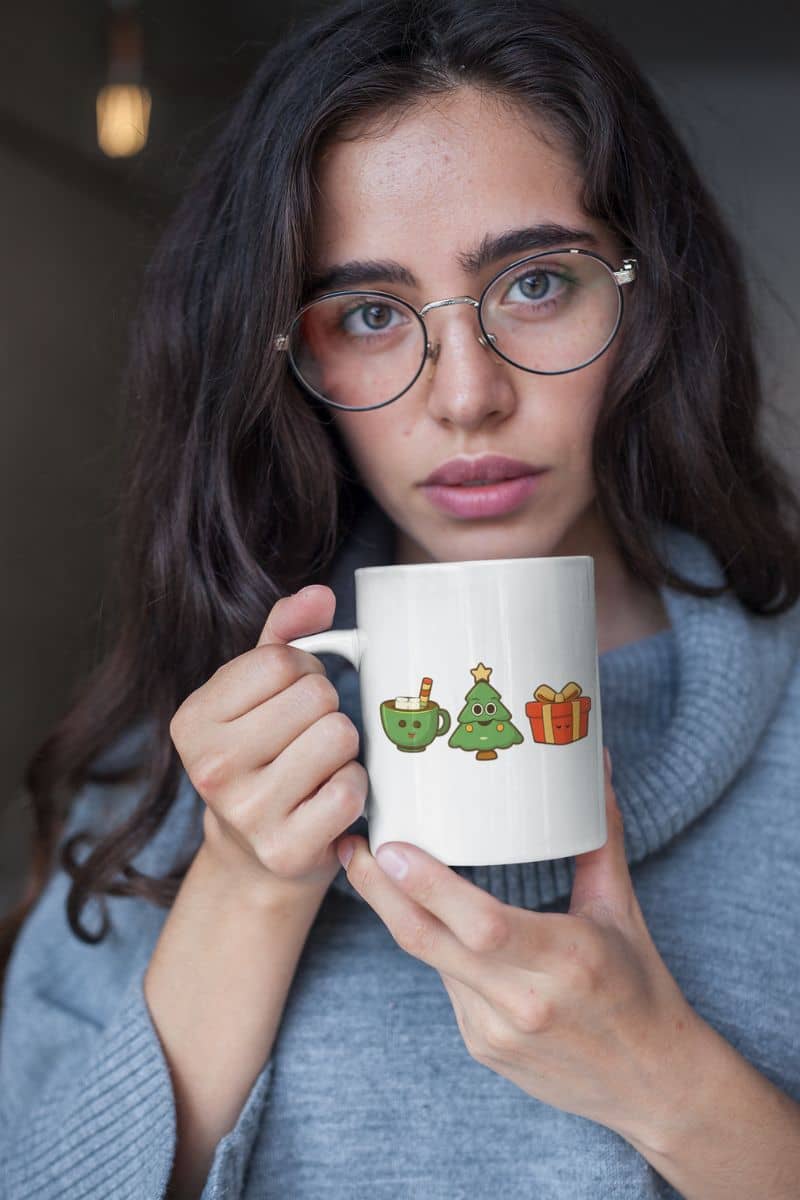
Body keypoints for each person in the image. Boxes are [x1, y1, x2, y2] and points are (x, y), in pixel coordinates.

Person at [1, 0, 799, 1196]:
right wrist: (244, 887)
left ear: (646, 299)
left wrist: (669, 1086)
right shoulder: (174, 764)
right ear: (291, 360)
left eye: (535, 284)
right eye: (369, 316)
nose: (464, 395)